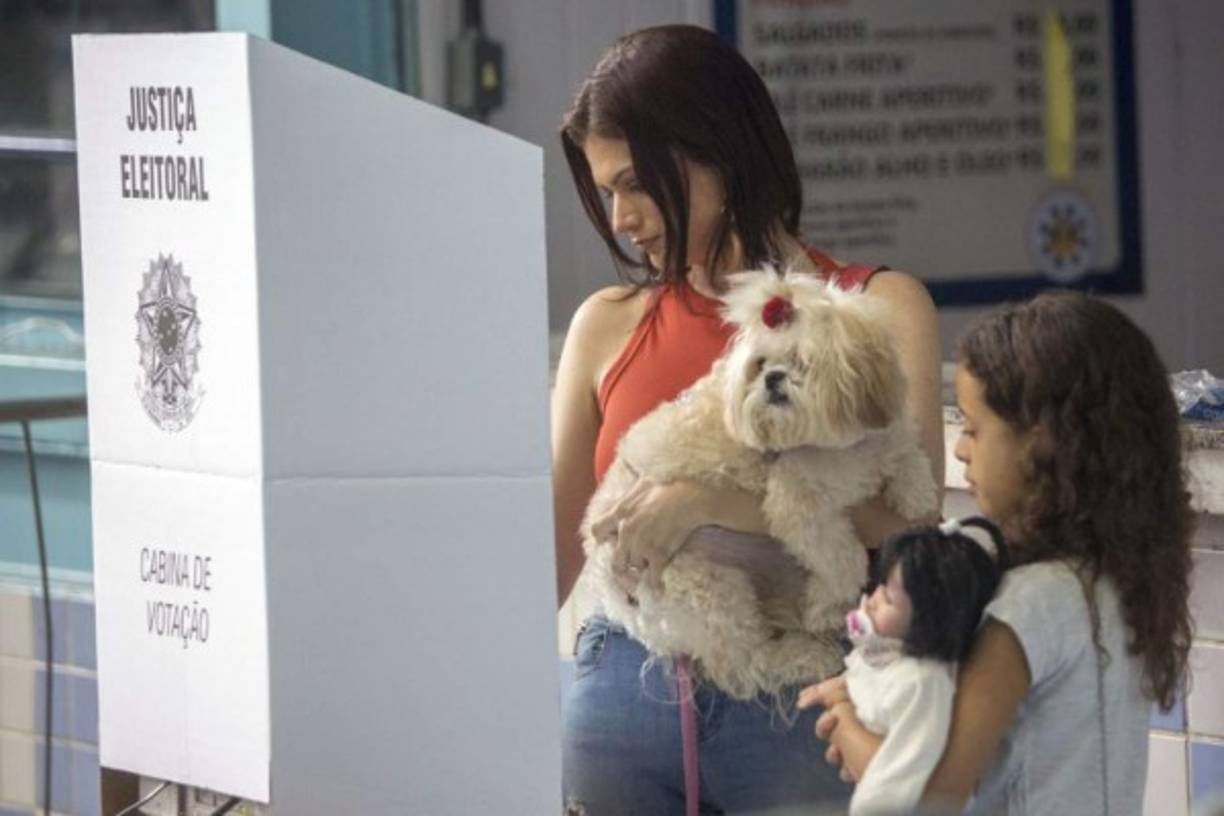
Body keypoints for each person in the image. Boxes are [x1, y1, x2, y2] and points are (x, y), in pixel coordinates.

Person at [553, 24, 944, 815]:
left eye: (636, 182)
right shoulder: (605, 324)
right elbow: (549, 554)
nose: (623, 217)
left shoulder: (875, 309)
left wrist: (710, 505)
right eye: (607, 193)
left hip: (807, 696)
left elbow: (911, 526)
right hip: (623, 688)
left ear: (719, 157)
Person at [805, 291, 1195, 814]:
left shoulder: (1031, 603)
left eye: (972, 427)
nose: (961, 448)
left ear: (1042, 445)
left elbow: (932, 799)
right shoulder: (1115, 575)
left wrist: (846, 718)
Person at [801, 517, 1007, 816]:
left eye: (887, 599)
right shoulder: (888, 654)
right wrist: (833, 691)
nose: (869, 602)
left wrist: (841, 710)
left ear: (931, 620)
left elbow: (902, 784)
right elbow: (860, 674)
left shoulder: (923, 684)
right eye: (878, 588)